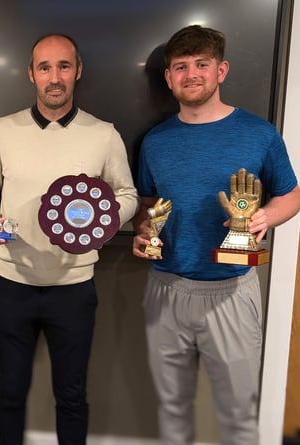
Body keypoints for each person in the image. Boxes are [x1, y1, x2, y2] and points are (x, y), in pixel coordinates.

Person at [132, 25, 300, 445]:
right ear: (169, 78)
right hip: (165, 288)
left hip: (232, 291)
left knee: (238, 415)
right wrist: (141, 230)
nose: (192, 74)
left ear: (221, 70)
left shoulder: (259, 133)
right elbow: (148, 203)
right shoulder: (155, 141)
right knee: (171, 410)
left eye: (201, 65)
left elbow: (292, 194)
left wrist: (263, 218)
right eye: (181, 67)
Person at [0, 33, 138, 445]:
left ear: (78, 72)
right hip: (11, 284)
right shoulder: (4, 129)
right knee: (10, 394)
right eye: (44, 67)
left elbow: (127, 195)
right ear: (31, 74)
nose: (55, 77)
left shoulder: (103, 134)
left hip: (73, 288)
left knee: (72, 397)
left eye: (64, 66)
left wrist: (104, 222)